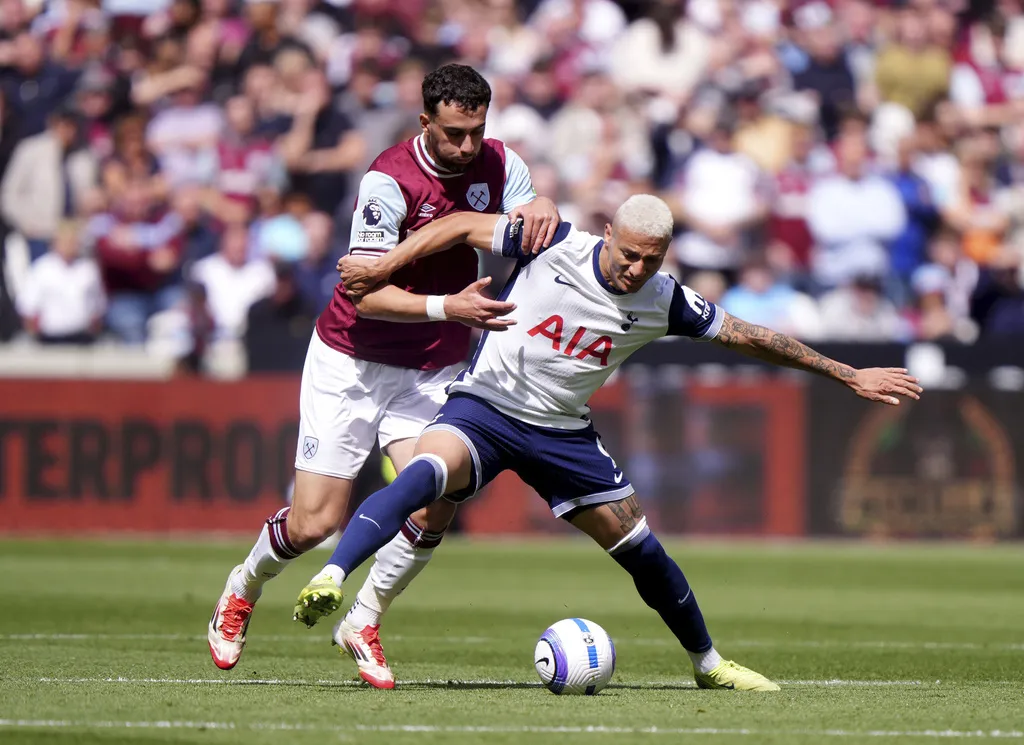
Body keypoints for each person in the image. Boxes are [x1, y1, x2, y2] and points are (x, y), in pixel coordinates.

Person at [293, 195, 922, 691]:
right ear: (610, 234)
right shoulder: (554, 243)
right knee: (430, 473)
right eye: (628, 254)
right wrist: (384, 265)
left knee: (640, 549)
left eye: (651, 259)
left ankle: (709, 664)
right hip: (484, 406)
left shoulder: (665, 298)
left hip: (562, 432)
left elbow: (750, 336)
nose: (635, 268)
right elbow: (459, 225)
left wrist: (846, 373)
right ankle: (332, 574)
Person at [207, 64, 561, 685]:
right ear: (425, 121)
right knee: (315, 523)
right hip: (352, 359)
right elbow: (364, 292)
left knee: (440, 499)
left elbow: (532, 216)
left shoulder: (502, 163)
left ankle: (364, 618)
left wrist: (546, 205)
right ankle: (243, 586)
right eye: (454, 134)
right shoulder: (387, 180)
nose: (468, 146)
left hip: (433, 367)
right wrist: (447, 306)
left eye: (477, 131)